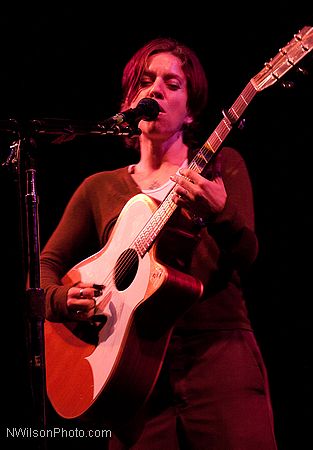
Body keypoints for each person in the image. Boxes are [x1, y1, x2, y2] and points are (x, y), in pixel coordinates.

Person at [40, 37, 278, 449]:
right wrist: (61, 299)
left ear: (190, 111)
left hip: (218, 361)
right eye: (146, 81)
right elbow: (44, 265)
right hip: (131, 377)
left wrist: (220, 213)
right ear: (131, 100)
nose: (156, 90)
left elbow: (248, 256)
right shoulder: (99, 187)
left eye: (172, 83)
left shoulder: (221, 166)